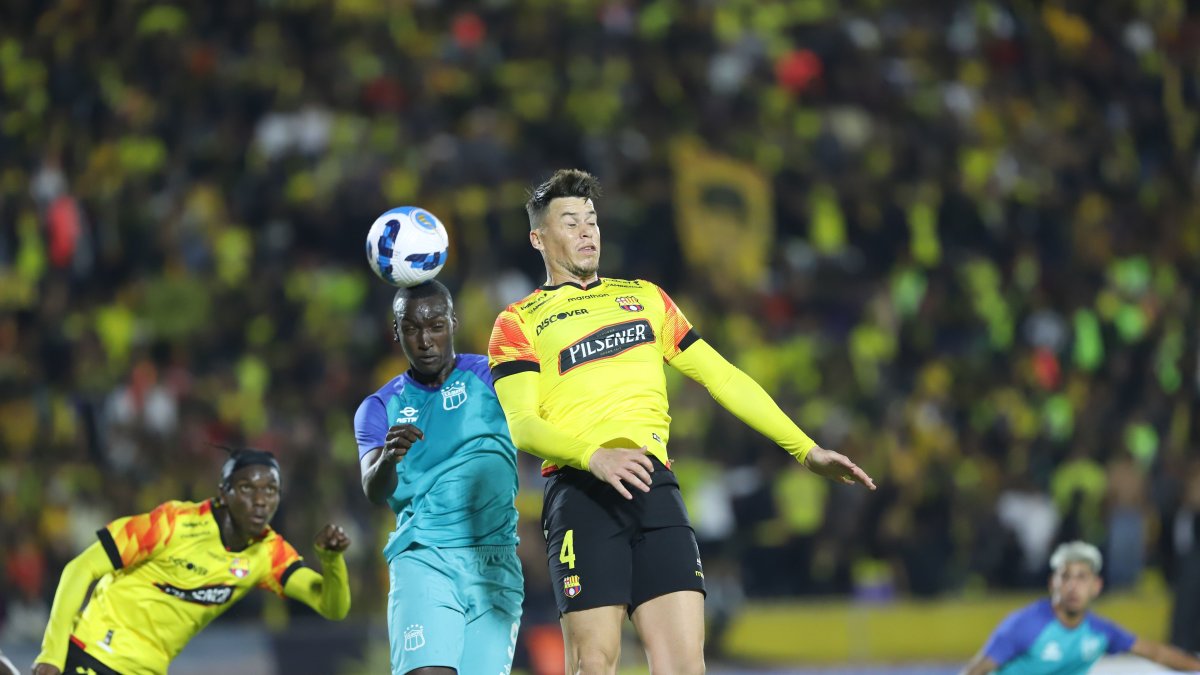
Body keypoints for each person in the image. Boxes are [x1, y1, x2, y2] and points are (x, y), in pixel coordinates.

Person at [487, 168, 876, 674]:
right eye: (571, 222)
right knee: (594, 663)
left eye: (592, 220)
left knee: (685, 668)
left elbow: (724, 378)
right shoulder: (519, 321)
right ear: (539, 238)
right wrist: (594, 456)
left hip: (655, 490)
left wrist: (806, 449)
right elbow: (522, 426)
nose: (587, 232)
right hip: (581, 493)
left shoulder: (646, 298)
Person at [32, 448, 351, 675]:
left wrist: (331, 562)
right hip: (92, 653)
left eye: (271, 490)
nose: (260, 500)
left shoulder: (268, 552)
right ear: (224, 493)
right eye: (247, 488)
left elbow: (332, 607)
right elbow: (79, 568)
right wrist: (52, 655)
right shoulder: (171, 524)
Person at [355, 280, 523, 675]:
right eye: (412, 328)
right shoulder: (380, 406)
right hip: (425, 555)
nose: (425, 340)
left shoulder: (493, 377)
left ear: (453, 323)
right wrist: (388, 460)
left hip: (494, 561)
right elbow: (373, 490)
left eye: (435, 326)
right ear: (396, 333)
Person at [961, 540, 1200, 674]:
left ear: (1096, 586)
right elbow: (975, 671)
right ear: (1052, 584)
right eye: (1066, 577)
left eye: (1082, 578)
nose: (1073, 587)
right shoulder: (1024, 626)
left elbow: (1156, 653)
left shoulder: (1099, 633)